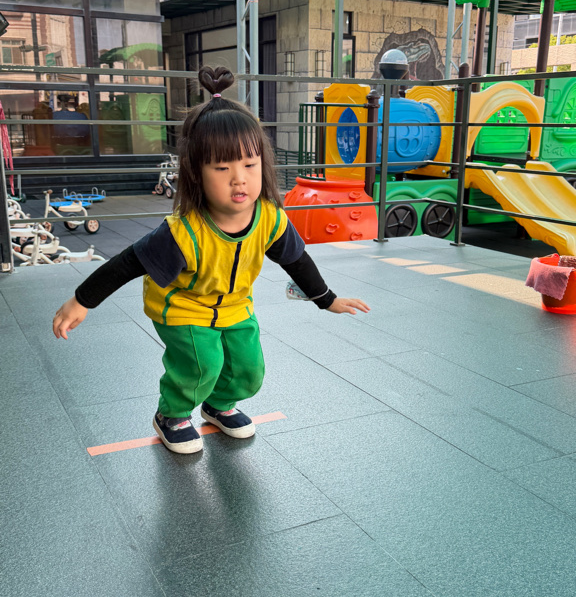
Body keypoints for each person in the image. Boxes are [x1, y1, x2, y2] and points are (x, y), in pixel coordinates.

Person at [52, 67, 370, 455]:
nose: (239, 179)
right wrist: (82, 300)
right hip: (183, 307)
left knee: (249, 369)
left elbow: (297, 260)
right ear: (196, 173)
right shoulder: (183, 232)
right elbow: (126, 263)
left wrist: (327, 299)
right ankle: (171, 414)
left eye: (249, 165)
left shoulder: (269, 218)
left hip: (235, 306)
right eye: (222, 168)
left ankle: (218, 405)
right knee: (202, 363)